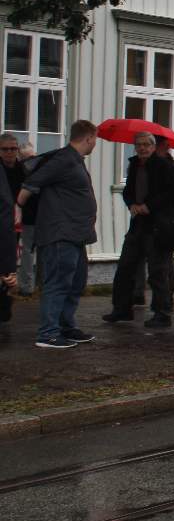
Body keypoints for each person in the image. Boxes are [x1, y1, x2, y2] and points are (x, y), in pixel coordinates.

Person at [18, 120, 99, 349]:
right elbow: (32, 183)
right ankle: (48, 333)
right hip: (59, 235)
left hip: (75, 234)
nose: (95, 143)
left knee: (75, 283)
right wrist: (20, 203)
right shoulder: (64, 159)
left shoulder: (74, 160)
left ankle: (66, 326)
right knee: (58, 283)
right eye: (95, 139)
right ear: (89, 138)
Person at [104, 132, 174, 328]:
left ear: (154, 147)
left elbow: (173, 192)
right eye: (139, 145)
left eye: (147, 144)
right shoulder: (134, 165)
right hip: (138, 222)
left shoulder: (164, 165)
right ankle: (121, 308)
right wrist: (131, 204)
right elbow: (128, 190)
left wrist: (150, 206)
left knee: (157, 271)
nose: (143, 148)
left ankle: (162, 312)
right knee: (125, 266)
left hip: (157, 225)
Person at [0, 136, 19, 321]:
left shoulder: (22, 169)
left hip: (16, 221)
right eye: (5, 149)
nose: (9, 153)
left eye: (13, 149)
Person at [16, 141, 37, 296]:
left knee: (28, 252)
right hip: (29, 218)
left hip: (37, 217)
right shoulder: (39, 170)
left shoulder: (21, 170)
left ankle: (27, 286)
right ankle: (27, 286)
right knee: (28, 252)